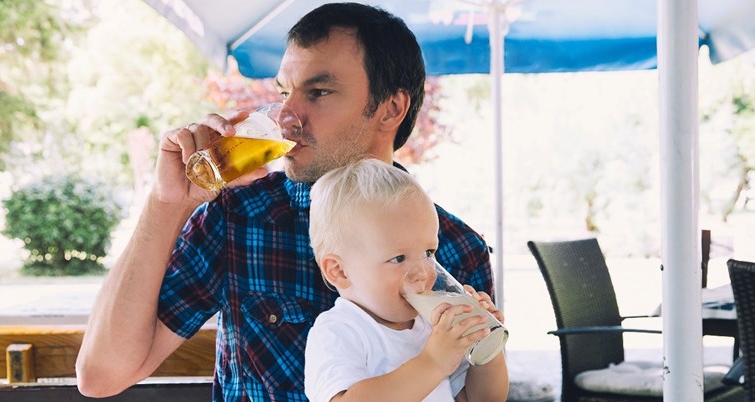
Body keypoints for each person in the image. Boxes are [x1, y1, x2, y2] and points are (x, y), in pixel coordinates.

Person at [76, 3, 497, 401]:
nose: (286, 117)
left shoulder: (460, 249)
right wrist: (167, 203)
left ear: (390, 109)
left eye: (318, 92)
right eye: (284, 92)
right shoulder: (237, 218)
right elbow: (101, 376)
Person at [305, 158, 508, 402]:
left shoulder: (432, 325)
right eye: (398, 258)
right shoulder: (339, 331)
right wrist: (432, 362)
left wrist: (486, 350)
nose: (422, 272)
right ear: (339, 271)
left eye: (428, 253)